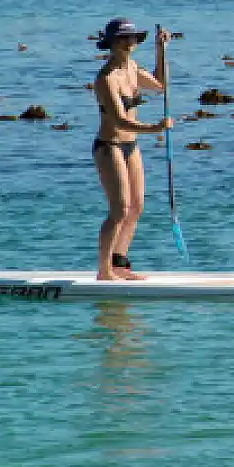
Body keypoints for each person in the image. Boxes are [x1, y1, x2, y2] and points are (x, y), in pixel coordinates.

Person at [93, 18, 173, 281]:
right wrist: (155, 128)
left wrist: (160, 50)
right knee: (119, 210)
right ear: (112, 44)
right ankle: (104, 271)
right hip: (110, 146)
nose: (129, 43)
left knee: (136, 207)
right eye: (122, 39)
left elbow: (160, 86)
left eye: (132, 38)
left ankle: (119, 264)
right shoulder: (106, 79)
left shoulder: (132, 68)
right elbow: (118, 120)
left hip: (131, 145)